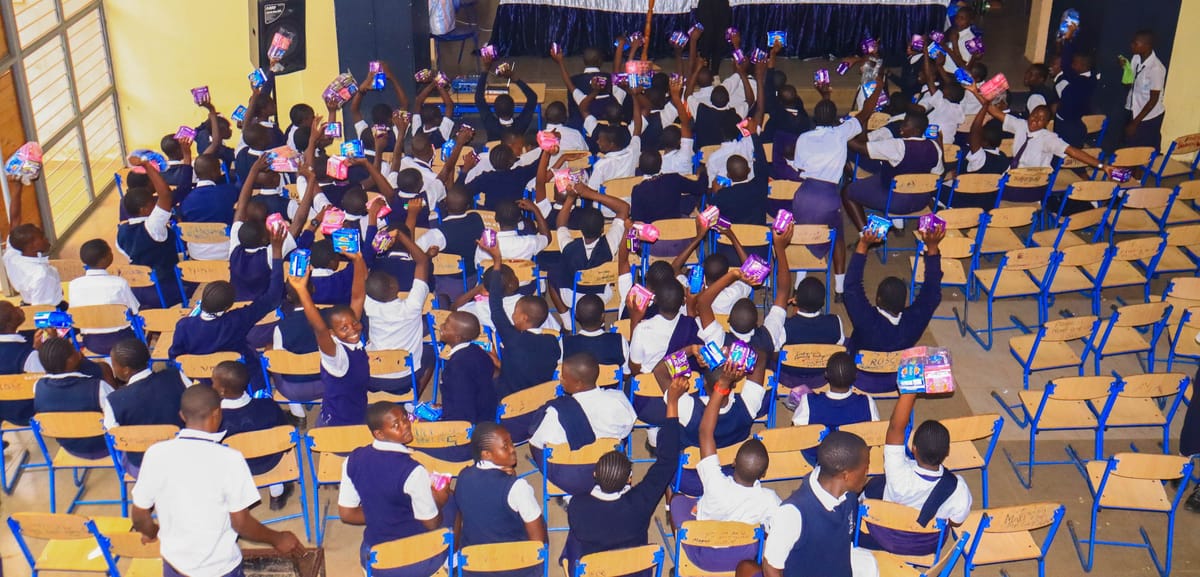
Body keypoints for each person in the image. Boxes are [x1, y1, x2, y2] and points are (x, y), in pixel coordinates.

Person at [131, 386, 304, 577]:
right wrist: (277, 538)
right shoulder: (229, 459)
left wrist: (151, 532)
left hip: (174, 566)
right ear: (217, 414)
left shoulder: (155, 453)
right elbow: (241, 524)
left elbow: (139, 516)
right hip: (220, 568)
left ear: (182, 415)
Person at [562, 373, 686, 575]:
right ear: (629, 479)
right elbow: (668, 461)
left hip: (597, 571)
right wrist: (672, 403)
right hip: (634, 570)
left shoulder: (577, 505)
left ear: (595, 474)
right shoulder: (641, 500)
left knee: (575, 540)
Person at [671, 365, 777, 574]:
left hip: (701, 555)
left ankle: (681, 557)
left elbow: (705, 432)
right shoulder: (769, 499)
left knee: (677, 500)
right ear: (764, 473)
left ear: (734, 462)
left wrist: (721, 386)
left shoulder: (715, 483)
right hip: (742, 556)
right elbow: (777, 531)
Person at [338, 402, 452, 576]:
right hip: (415, 562)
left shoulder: (352, 460)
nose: (405, 425)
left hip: (374, 560)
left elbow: (346, 514)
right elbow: (431, 523)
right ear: (379, 434)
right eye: (395, 425)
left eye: (405, 419)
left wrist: (382, 515)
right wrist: (441, 501)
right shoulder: (413, 470)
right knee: (452, 503)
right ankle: (452, 562)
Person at [790, 81, 881, 296]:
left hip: (804, 195)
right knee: (837, 237)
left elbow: (799, 167)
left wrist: (825, 97)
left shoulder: (803, 138)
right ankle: (839, 288)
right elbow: (865, 112)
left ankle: (799, 283)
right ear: (835, 119)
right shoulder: (841, 133)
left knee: (804, 231)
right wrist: (879, 86)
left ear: (814, 117)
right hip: (828, 196)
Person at [169, 227, 286, 391]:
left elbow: (174, 356)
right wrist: (277, 253)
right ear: (227, 307)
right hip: (241, 377)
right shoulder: (236, 320)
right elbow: (272, 297)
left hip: (207, 380)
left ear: (202, 301)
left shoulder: (184, 325)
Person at [861, 392, 970, 555]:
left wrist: (909, 392)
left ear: (914, 448)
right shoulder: (957, 487)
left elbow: (895, 428)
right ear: (947, 452)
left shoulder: (898, 472)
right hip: (926, 545)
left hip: (886, 535)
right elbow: (956, 521)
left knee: (875, 486)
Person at [753, 431, 875, 577]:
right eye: (865, 469)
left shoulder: (849, 496)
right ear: (846, 475)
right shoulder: (792, 514)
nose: (867, 473)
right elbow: (771, 568)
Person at [965, 84, 1112, 203]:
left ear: (1046, 123)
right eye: (1034, 115)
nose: (1035, 120)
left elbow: (1073, 151)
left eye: (1041, 119)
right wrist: (975, 92)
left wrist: (1102, 166)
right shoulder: (1021, 125)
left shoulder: (1049, 139)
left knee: (986, 184)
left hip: (1033, 185)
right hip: (1015, 179)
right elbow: (994, 111)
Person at [529, 352, 637, 494]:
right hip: (609, 471)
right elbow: (627, 428)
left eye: (564, 377)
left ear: (578, 384)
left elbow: (538, 442)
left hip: (571, 476)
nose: (561, 379)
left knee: (536, 445)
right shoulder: (618, 399)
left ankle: (568, 495)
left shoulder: (555, 413)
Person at [288, 244, 369, 427]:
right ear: (333, 333)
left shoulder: (353, 340)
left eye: (354, 323)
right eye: (344, 328)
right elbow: (319, 328)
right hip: (336, 424)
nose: (353, 329)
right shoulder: (335, 355)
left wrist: (357, 260)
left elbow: (358, 297)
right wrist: (302, 290)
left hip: (358, 413)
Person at [454, 421, 547, 575]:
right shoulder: (518, 487)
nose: (512, 449)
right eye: (505, 446)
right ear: (486, 454)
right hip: (512, 567)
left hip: (474, 567)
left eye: (511, 442)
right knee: (538, 520)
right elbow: (538, 543)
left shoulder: (463, 476)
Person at [843, 227, 944, 366]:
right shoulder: (913, 322)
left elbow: (852, 287)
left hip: (861, 375)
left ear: (878, 299)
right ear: (904, 302)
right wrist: (932, 247)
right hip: (895, 376)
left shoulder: (866, 320)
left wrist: (863, 244)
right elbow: (932, 292)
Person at [478, 239, 560, 397]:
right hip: (543, 395)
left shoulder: (513, 338)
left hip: (512, 398)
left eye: (515, 312)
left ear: (524, 318)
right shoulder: (552, 341)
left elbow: (496, 307)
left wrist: (497, 261)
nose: (512, 315)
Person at [842, 106, 943, 232]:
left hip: (896, 201)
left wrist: (842, 134)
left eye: (905, 125)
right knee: (879, 177)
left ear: (916, 130)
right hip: (922, 200)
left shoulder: (898, 146)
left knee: (847, 191)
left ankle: (867, 234)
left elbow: (859, 147)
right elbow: (938, 175)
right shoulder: (935, 147)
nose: (901, 127)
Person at [211, 360, 292, 510]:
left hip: (238, 467)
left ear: (222, 391)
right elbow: (285, 431)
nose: (212, 385)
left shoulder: (215, 419)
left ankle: (240, 498)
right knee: (274, 441)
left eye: (213, 383)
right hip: (271, 460)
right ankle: (277, 494)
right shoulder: (268, 405)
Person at [104, 338, 191, 471]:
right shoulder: (176, 376)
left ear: (126, 370)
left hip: (143, 465)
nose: (113, 368)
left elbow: (113, 434)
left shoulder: (113, 400)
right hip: (180, 454)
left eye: (114, 364)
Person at [363, 227, 432, 395]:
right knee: (431, 353)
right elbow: (422, 262)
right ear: (394, 287)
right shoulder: (412, 306)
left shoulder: (368, 305)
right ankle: (413, 399)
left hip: (372, 375)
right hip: (405, 378)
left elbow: (362, 269)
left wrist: (375, 246)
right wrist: (400, 236)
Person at [32, 337, 113, 460]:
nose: (78, 351)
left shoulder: (38, 386)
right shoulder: (98, 387)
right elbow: (117, 413)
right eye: (74, 350)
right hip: (105, 445)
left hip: (70, 447)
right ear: (70, 360)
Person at [117, 157, 183, 307]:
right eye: (153, 203)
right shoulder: (153, 226)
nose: (156, 204)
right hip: (163, 289)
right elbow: (165, 195)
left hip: (137, 289)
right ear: (144, 209)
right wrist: (147, 166)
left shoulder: (121, 231)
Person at [70, 239, 141, 355]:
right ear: (105, 259)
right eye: (110, 251)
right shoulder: (119, 283)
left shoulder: (74, 285)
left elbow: (76, 314)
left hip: (92, 342)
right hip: (121, 339)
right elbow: (134, 311)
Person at [3, 177, 61, 306]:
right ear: (32, 246)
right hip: (49, 309)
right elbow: (41, 311)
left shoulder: (13, 254)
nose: (46, 239)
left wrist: (18, 186)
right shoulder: (41, 275)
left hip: (28, 301)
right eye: (42, 237)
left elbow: (15, 219)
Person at [437, 312, 498, 423]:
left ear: (457, 337)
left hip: (468, 425)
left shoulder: (456, 366)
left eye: (446, 326)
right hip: (487, 415)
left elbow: (462, 410)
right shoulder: (478, 350)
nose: (441, 326)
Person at [792, 352, 878, 427]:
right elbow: (876, 433)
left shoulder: (808, 402)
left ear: (826, 374)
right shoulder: (867, 402)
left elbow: (794, 433)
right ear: (855, 376)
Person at [476, 52, 540, 141]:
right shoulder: (521, 124)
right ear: (513, 108)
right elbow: (532, 97)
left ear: (495, 111)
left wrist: (485, 70)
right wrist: (514, 77)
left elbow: (479, 99)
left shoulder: (491, 124)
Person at [1122, 29, 1166, 148]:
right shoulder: (1136, 58)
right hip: (1133, 108)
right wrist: (1126, 68)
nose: (1132, 45)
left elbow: (1153, 100)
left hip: (1149, 115)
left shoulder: (1156, 68)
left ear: (1147, 46)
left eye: (1135, 43)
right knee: (1128, 146)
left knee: (1143, 149)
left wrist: (1135, 123)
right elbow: (1130, 82)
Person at [561, 295, 628, 371]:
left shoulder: (564, 344)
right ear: (603, 316)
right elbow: (626, 372)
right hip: (613, 379)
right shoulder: (619, 340)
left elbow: (560, 371)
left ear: (576, 317)